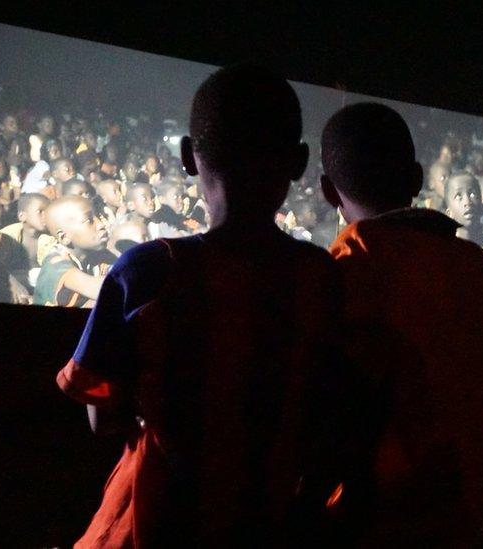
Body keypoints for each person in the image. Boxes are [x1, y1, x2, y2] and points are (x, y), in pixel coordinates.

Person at [54, 64, 347, 546]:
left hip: (153, 522)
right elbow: (330, 416)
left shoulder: (145, 272)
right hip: (269, 522)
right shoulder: (322, 278)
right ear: (298, 163)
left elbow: (101, 416)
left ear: (190, 156)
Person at [321, 102, 483, 544]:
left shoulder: (345, 267)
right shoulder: (476, 264)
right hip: (477, 515)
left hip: (383, 519)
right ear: (418, 180)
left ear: (327, 190)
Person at [33, 196, 110, 307]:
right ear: (64, 237)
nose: (101, 224)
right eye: (90, 220)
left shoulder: (97, 255)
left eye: (98, 216)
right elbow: (99, 289)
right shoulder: (55, 263)